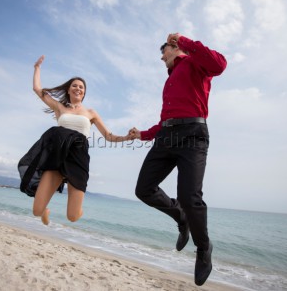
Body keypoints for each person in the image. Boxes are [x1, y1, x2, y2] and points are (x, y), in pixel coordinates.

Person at [129, 33, 227, 286]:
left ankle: (203, 248)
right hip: (167, 136)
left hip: (193, 136)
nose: (162, 58)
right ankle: (180, 217)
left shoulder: (195, 63)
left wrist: (185, 41)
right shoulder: (170, 81)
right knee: (143, 189)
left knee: (189, 196)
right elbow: (165, 121)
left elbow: (220, 64)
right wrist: (143, 134)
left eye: (164, 52)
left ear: (175, 48)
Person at [18, 55, 132, 225]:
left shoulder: (91, 113)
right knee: (37, 211)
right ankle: (45, 210)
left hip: (78, 159)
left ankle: (78, 207)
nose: (78, 88)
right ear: (69, 89)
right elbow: (37, 89)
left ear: (84, 92)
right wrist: (37, 68)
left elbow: (108, 136)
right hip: (57, 157)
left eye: (81, 87)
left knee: (72, 217)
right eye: (75, 86)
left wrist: (127, 137)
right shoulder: (60, 107)